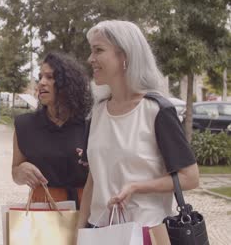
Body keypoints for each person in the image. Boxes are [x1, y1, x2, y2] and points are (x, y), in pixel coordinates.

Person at [76, 20, 199, 233]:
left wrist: (136, 187)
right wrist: (78, 233)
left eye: (98, 50)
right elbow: (92, 181)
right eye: (91, 51)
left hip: (144, 231)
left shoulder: (157, 111)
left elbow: (190, 177)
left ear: (124, 56)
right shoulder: (97, 113)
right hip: (98, 231)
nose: (90, 59)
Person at [12, 52, 93, 208]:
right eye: (40, 77)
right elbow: (15, 172)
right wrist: (21, 172)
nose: (41, 83)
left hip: (86, 209)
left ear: (68, 83)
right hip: (43, 212)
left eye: (50, 77)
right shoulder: (25, 125)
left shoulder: (90, 125)